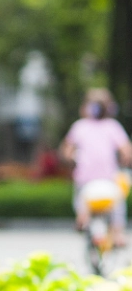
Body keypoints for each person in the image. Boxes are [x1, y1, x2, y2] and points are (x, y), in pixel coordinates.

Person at [59, 87, 132, 248]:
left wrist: (71, 158)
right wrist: (124, 162)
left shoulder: (80, 126)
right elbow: (126, 150)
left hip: (86, 178)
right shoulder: (112, 126)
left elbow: (67, 150)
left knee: (81, 200)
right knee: (117, 203)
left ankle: (82, 219)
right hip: (108, 178)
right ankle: (118, 234)